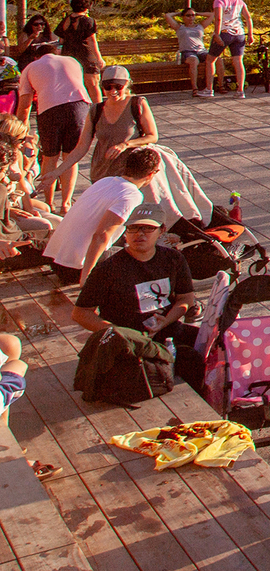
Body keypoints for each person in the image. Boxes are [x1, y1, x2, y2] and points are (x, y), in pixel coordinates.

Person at [71, 201, 199, 381]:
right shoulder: (108, 269)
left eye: (147, 228)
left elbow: (186, 298)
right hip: (129, 342)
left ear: (161, 230)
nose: (140, 234)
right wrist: (120, 333)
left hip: (167, 330)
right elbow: (81, 313)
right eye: (133, 228)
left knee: (213, 346)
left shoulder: (173, 259)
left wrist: (165, 321)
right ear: (125, 232)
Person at [41, 146, 161, 285]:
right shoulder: (131, 196)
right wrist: (86, 277)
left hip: (56, 260)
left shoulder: (105, 181)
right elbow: (101, 235)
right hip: (75, 269)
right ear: (151, 174)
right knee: (146, 251)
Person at [22, 42, 91, 210]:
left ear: (37, 57)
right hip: (79, 106)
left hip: (50, 109)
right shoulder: (73, 61)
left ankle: (49, 202)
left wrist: (20, 131)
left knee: (50, 157)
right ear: (57, 53)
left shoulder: (31, 68)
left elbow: (24, 105)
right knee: (70, 156)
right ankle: (66, 203)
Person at [65, 65, 159, 183]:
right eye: (108, 87)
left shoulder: (138, 104)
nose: (113, 91)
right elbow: (81, 148)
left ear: (127, 85)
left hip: (129, 174)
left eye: (118, 87)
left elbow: (153, 136)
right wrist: (55, 173)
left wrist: (125, 145)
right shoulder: (96, 110)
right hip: (101, 173)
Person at [208, 0, 255, 99]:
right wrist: (250, 34)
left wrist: (217, 34)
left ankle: (209, 89)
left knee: (210, 60)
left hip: (225, 32)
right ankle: (240, 90)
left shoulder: (219, 2)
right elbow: (248, 17)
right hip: (239, 33)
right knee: (238, 62)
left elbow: (218, 18)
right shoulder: (239, 1)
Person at [55, 0, 104, 103]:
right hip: (85, 55)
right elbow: (91, 40)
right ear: (87, 7)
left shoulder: (66, 20)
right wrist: (99, 58)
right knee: (93, 85)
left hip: (69, 56)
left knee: (72, 85)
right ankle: (98, 109)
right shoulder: (88, 21)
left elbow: (61, 40)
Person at [173, 6, 213, 96]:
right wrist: (178, 13)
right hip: (187, 52)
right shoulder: (180, 27)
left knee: (216, 58)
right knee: (194, 61)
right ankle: (195, 88)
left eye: (193, 15)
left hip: (201, 51)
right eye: (188, 15)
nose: (191, 17)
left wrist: (197, 13)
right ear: (183, 17)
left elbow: (212, 15)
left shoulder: (200, 26)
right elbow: (167, 16)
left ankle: (219, 86)